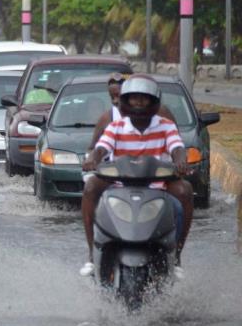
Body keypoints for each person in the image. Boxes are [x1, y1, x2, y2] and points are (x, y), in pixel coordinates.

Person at [80, 74, 193, 278]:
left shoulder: (166, 125)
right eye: (134, 98)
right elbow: (101, 147)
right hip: (119, 184)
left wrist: (180, 161)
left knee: (185, 191)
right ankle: (91, 255)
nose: (139, 103)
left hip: (158, 185)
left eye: (144, 98)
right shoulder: (115, 126)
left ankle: (176, 257)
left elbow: (177, 147)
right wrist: (93, 159)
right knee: (90, 187)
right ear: (126, 100)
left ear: (153, 101)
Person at [88, 72, 174, 150]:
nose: (115, 101)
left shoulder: (161, 113)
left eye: (118, 95)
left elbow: (175, 143)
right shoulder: (109, 119)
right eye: (112, 97)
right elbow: (93, 149)